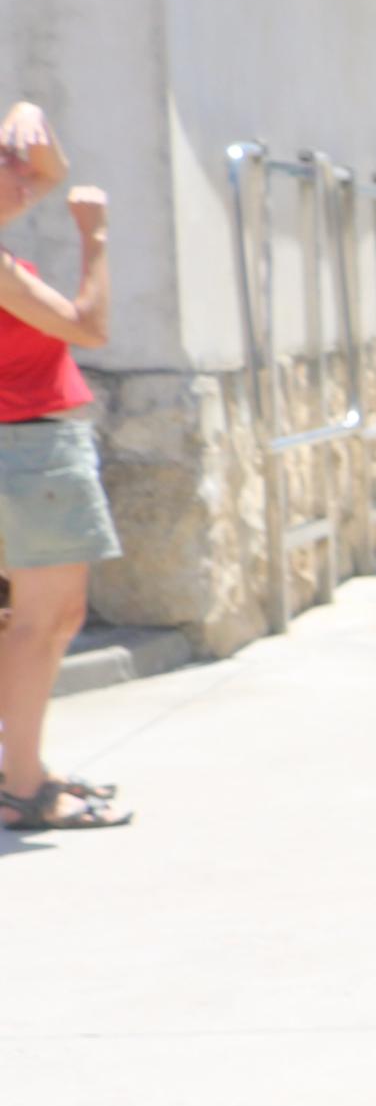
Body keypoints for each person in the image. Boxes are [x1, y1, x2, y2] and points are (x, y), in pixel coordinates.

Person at [0, 103, 125, 834]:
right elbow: (90, 326)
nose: (21, 179)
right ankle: (22, 788)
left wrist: (26, 117)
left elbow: (49, 169)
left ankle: (22, 769)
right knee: (45, 622)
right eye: (4, 165)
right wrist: (96, 239)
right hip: (31, 448)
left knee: (28, 620)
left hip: (23, 444)